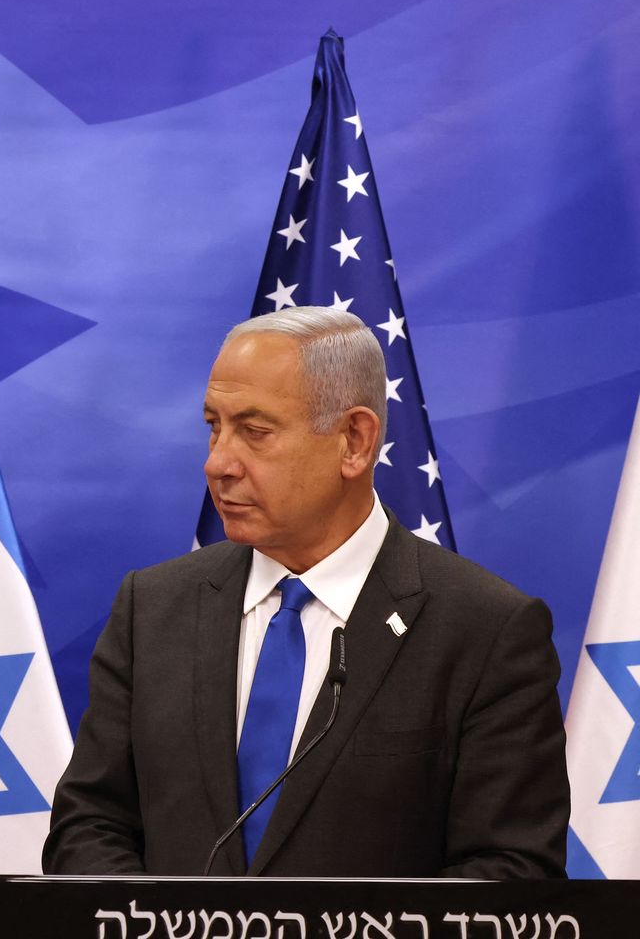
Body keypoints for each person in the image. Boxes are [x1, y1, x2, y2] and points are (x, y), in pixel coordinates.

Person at [44, 307, 567, 877]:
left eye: (255, 431)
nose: (217, 462)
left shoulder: (484, 631)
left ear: (354, 441)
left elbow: (511, 873)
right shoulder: (153, 607)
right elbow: (90, 824)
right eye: (214, 426)